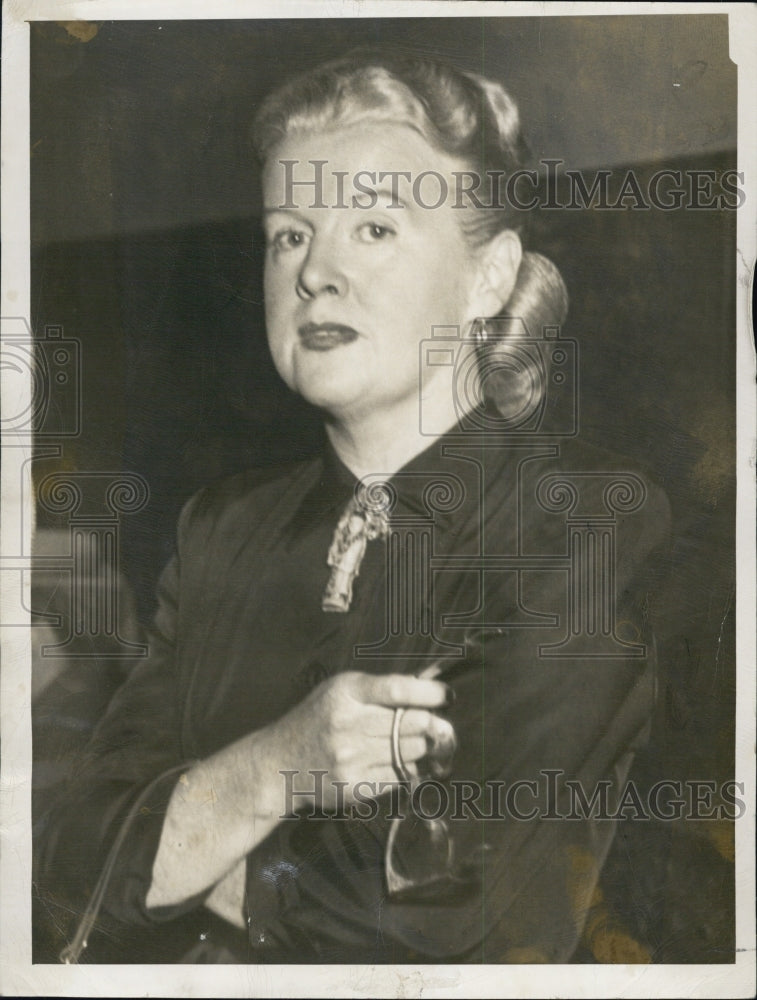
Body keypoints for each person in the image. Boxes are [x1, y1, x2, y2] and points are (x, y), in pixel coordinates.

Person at [34, 49, 670, 964]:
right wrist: (273, 769)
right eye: (289, 233)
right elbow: (60, 865)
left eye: (373, 228)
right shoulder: (223, 529)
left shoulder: (579, 520)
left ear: (488, 277)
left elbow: (447, 917)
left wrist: (181, 844)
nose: (313, 275)